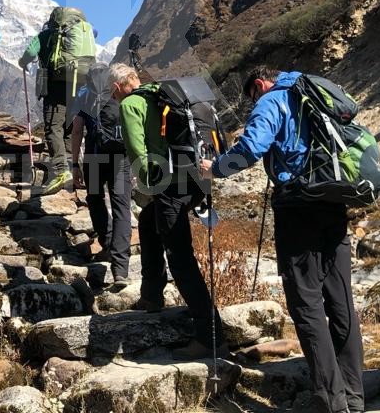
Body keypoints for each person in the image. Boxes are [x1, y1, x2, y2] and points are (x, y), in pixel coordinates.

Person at [200, 67, 363, 413]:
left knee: (306, 303)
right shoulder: (314, 96)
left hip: (297, 205)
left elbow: (251, 148)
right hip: (333, 200)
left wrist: (213, 168)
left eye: (251, 97)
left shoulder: (272, 100)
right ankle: (354, 395)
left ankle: (330, 401)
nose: (253, 103)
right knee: (341, 300)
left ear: (258, 85)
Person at [112, 62, 224, 356]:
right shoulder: (159, 95)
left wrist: (148, 185)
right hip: (196, 178)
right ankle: (151, 296)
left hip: (170, 185)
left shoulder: (130, 105)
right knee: (149, 222)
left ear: (118, 86)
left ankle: (210, 335)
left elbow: (137, 150)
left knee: (181, 258)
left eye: (112, 91)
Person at [19, 7, 96, 195]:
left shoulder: (46, 35)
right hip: (79, 82)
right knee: (71, 127)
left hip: (55, 85)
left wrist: (23, 62)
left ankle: (61, 171)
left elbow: (30, 52)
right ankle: (71, 168)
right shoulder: (82, 32)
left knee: (53, 127)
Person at [69, 64, 131, 289]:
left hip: (95, 156)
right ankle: (121, 268)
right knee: (122, 207)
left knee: (95, 199)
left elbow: (77, 130)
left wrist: (75, 163)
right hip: (121, 157)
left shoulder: (85, 94)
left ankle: (106, 242)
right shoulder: (118, 90)